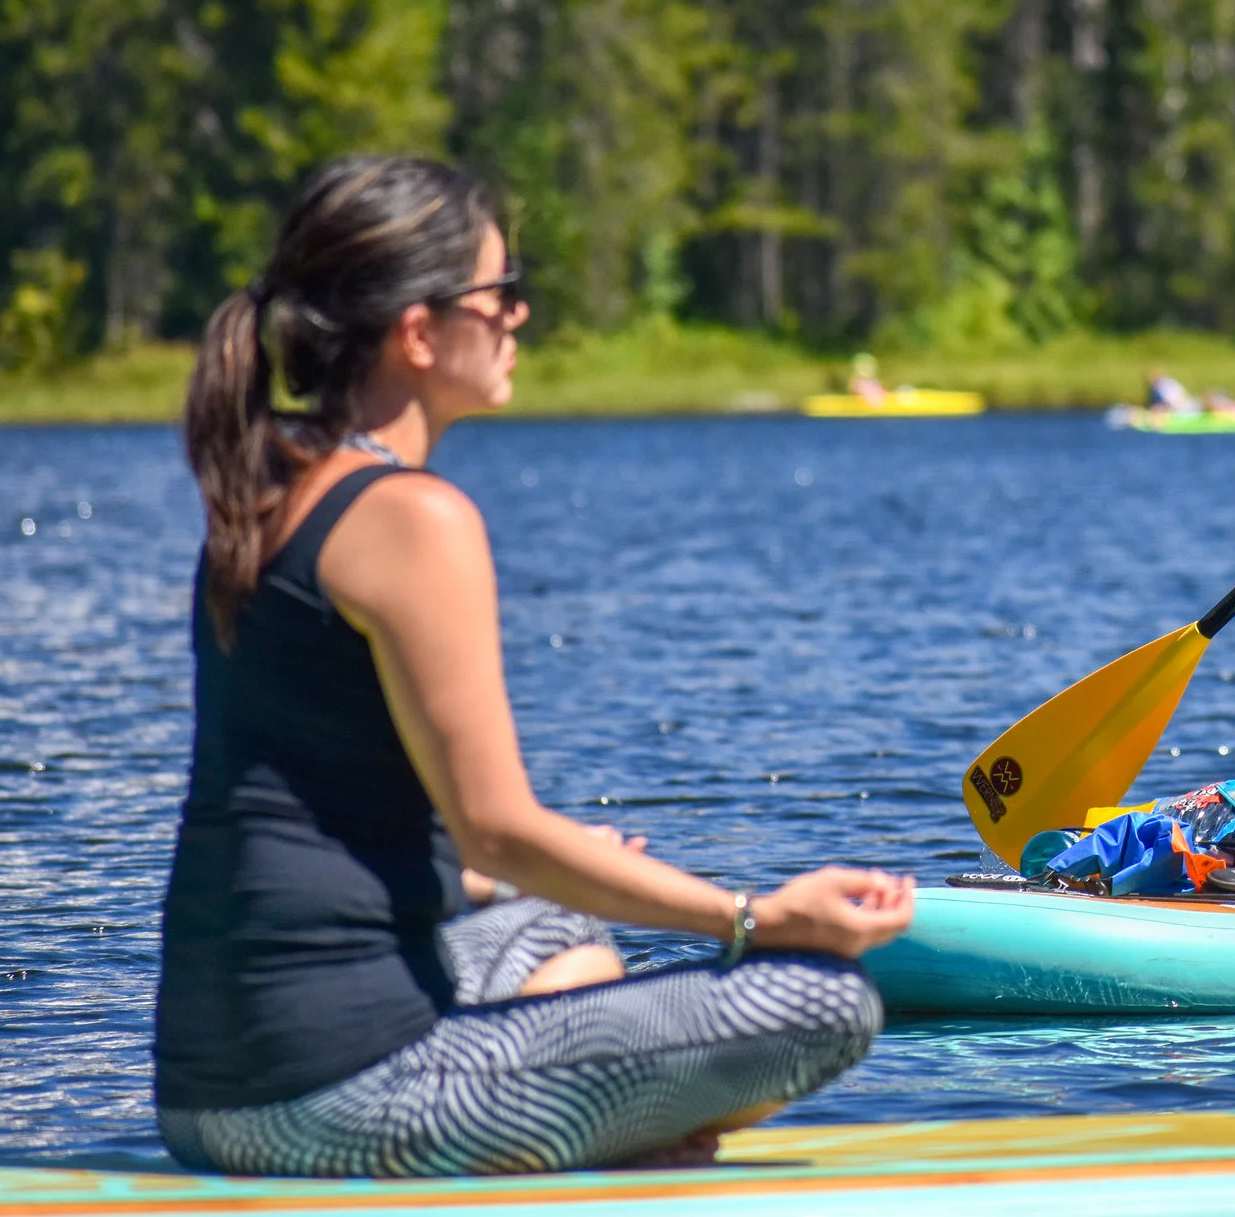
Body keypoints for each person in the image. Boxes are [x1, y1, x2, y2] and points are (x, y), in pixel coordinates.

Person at [160, 157, 913, 1177]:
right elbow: (501, 828)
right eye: (500, 294)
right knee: (824, 1002)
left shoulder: (263, 495)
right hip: (335, 1103)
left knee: (555, 920)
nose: (518, 316)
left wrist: (532, 865)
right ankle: (593, 1138)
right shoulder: (416, 518)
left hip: (206, 1096)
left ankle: (580, 1127)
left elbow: (325, 819)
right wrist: (758, 915)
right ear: (419, 333)